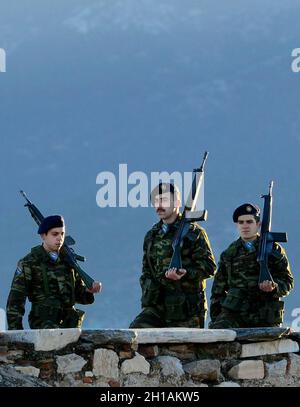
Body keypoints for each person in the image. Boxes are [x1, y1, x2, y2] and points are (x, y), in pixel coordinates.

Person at [129, 182, 216, 328]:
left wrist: (185, 273)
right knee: (136, 333)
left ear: (177, 202)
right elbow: (147, 271)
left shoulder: (194, 233)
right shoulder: (152, 235)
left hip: (186, 309)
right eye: (156, 201)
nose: (159, 205)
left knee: (184, 348)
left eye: (163, 200)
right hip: (158, 305)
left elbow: (209, 267)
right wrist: (150, 292)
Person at [6, 215, 102, 329]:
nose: (59, 238)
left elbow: (78, 295)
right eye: (54, 234)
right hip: (44, 326)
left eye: (62, 234)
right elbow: (16, 300)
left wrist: (88, 290)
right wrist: (16, 332)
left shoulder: (68, 261)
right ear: (43, 236)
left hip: (70, 325)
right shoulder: (29, 262)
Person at [209, 203, 294, 328]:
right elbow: (218, 291)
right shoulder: (229, 254)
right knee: (217, 335)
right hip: (235, 313)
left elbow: (288, 281)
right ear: (237, 225)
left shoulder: (273, 249)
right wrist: (216, 318)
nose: (245, 226)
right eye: (241, 222)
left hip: (264, 313)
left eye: (249, 222)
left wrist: (274, 287)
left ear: (258, 224)